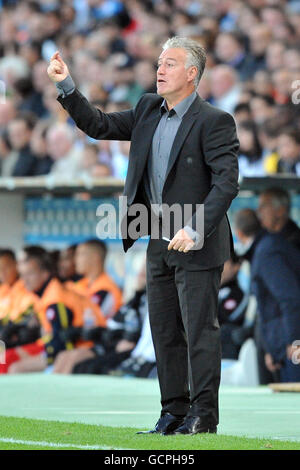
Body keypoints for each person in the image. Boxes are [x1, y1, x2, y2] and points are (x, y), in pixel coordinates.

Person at [48, 36, 239, 435]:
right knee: (165, 331)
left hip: (196, 240)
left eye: (170, 64)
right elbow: (98, 125)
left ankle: (204, 416)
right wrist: (67, 85)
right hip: (155, 237)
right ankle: (172, 412)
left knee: (199, 330)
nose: (160, 69)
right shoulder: (147, 108)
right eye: (159, 62)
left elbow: (226, 184)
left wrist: (196, 226)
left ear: (192, 74)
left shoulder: (215, 121)